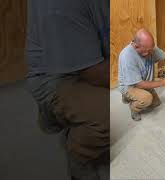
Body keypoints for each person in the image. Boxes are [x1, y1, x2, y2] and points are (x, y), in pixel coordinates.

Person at [25, 0, 108, 179]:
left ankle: (61, 114)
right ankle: (79, 156)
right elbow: (92, 72)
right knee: (110, 113)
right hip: (56, 77)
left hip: (90, 58)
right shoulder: (61, 5)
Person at [118, 29, 165, 121]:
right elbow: (139, 84)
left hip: (144, 82)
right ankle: (133, 107)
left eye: (151, 50)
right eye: (147, 51)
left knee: (156, 104)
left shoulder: (150, 48)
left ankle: (132, 98)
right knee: (147, 99)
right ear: (136, 46)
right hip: (130, 86)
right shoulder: (127, 57)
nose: (151, 53)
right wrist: (162, 83)